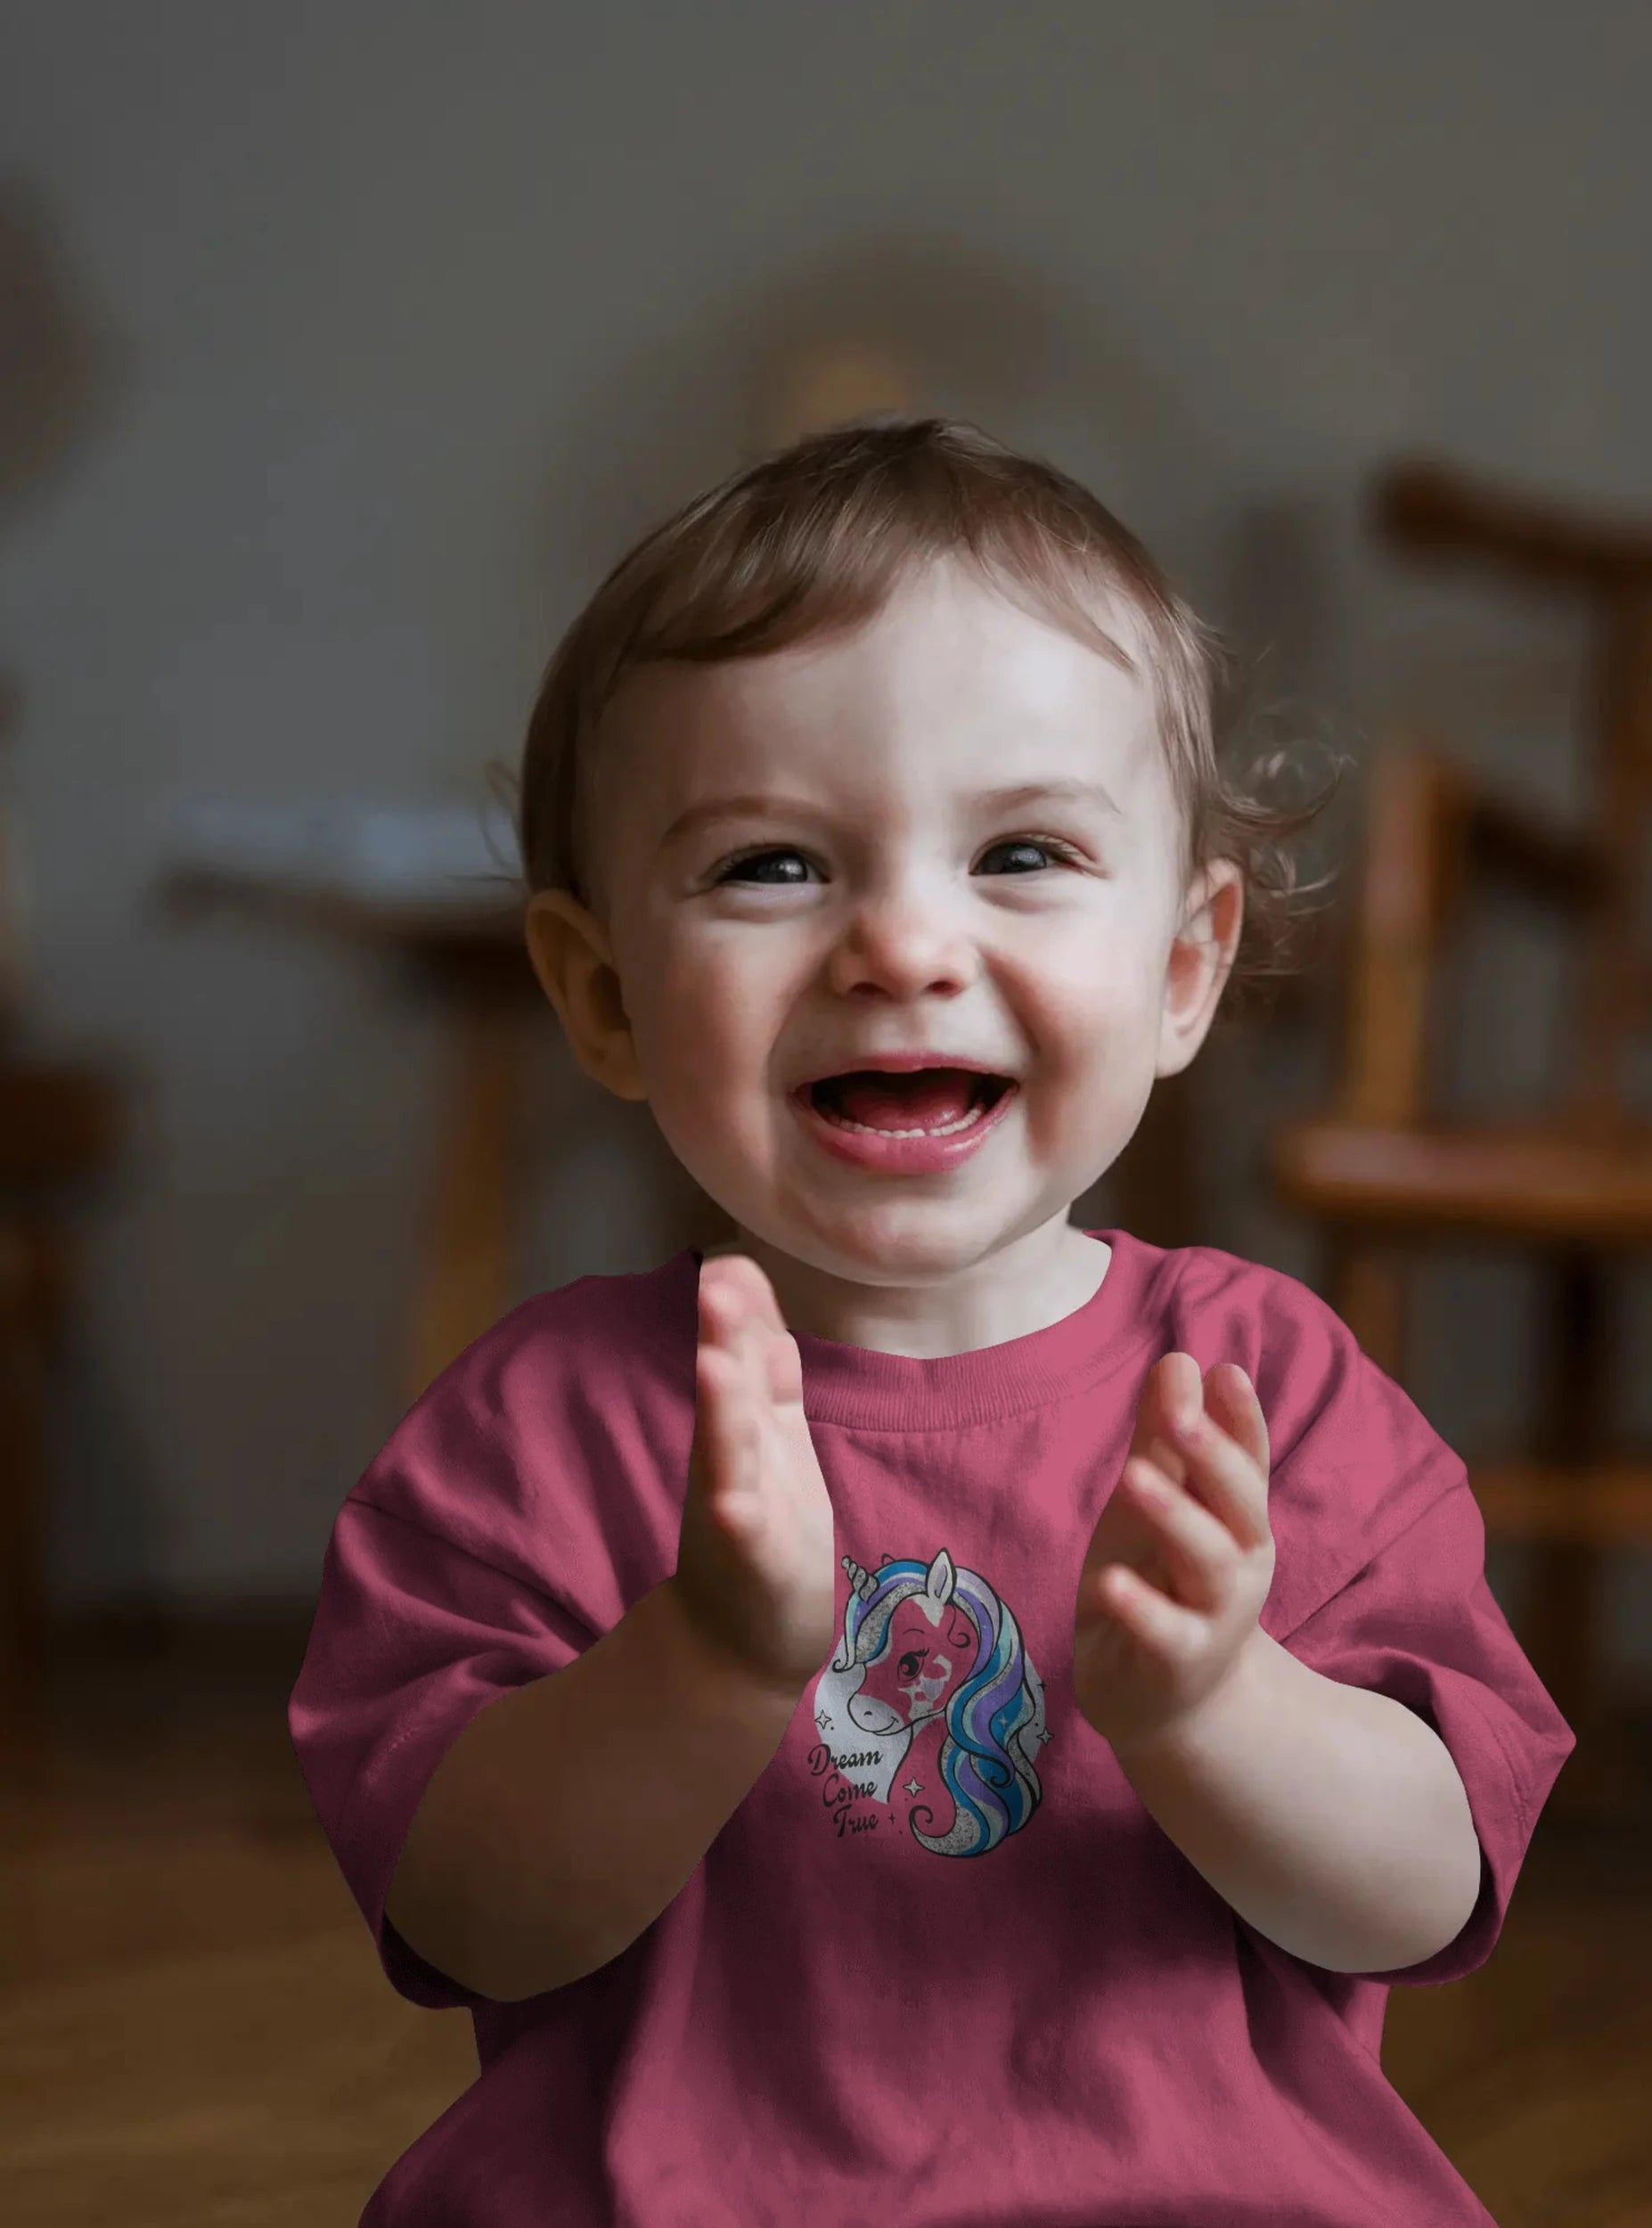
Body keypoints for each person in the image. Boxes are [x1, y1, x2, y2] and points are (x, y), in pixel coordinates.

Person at [288, 416, 1574, 2226]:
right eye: (772, 866)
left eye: (1024, 851)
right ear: (602, 993)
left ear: (1185, 967)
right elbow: (465, 1915)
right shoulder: (539, 1426)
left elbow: (1424, 1895)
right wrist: (709, 1657)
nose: (900, 941)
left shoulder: (1264, 1391)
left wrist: (1219, 1701)